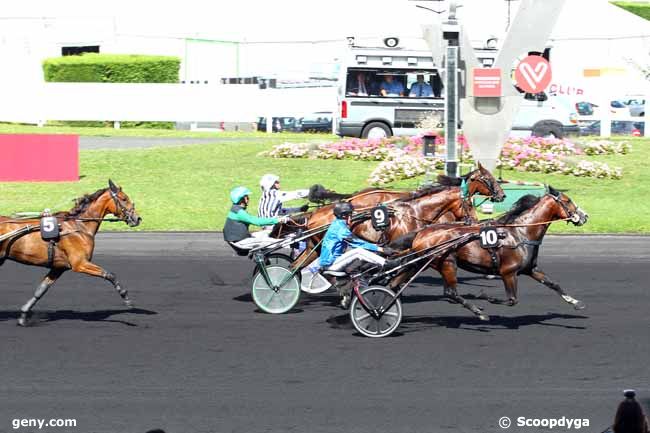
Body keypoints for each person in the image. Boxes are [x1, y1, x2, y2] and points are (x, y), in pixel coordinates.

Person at [223, 186, 287, 250]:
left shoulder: (235, 209)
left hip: (238, 239)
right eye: (246, 197)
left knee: (268, 232)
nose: (248, 198)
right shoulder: (239, 212)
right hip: (241, 242)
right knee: (277, 242)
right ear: (241, 199)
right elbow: (257, 221)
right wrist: (276, 220)